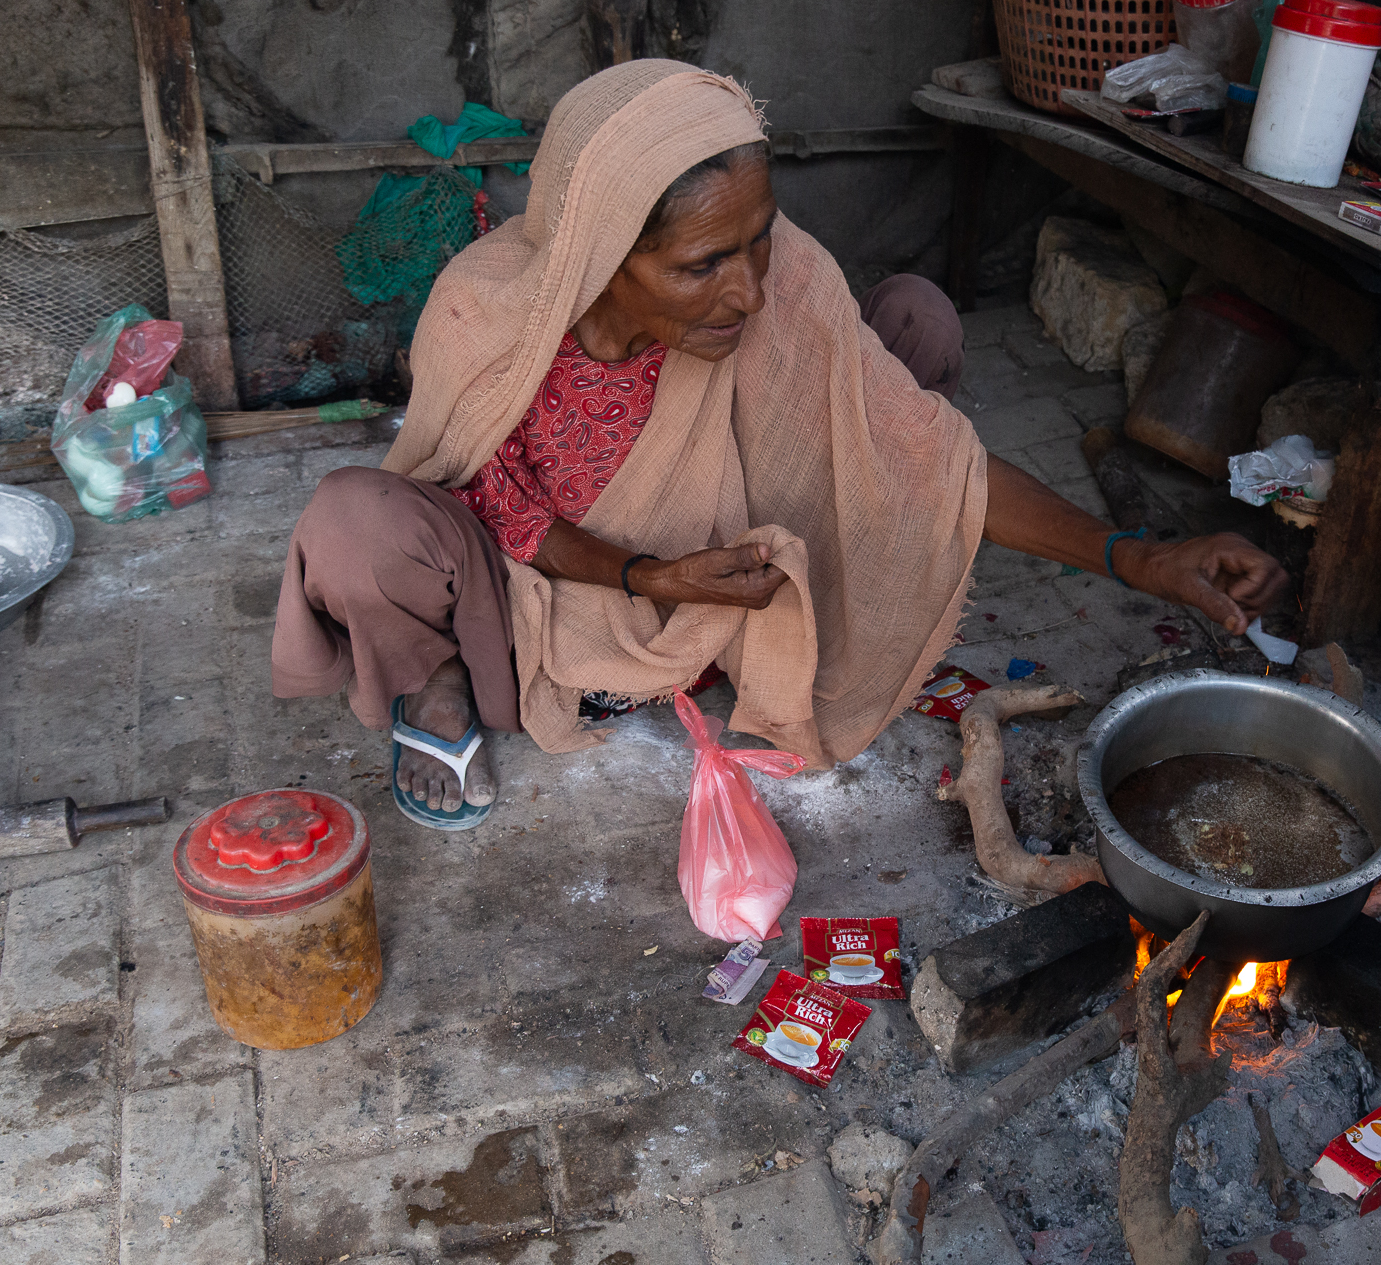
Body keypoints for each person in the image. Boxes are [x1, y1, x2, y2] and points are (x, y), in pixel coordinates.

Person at [272, 59, 1286, 830]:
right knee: (356, 527)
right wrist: (654, 577)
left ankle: (828, 552)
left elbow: (939, 456)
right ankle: (441, 677)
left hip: (716, 553)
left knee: (910, 324)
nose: (748, 290)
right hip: (540, 580)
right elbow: (508, 514)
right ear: (600, 252)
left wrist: (1137, 556)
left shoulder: (778, 281)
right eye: (702, 263)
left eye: (759, 236)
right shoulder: (484, 316)